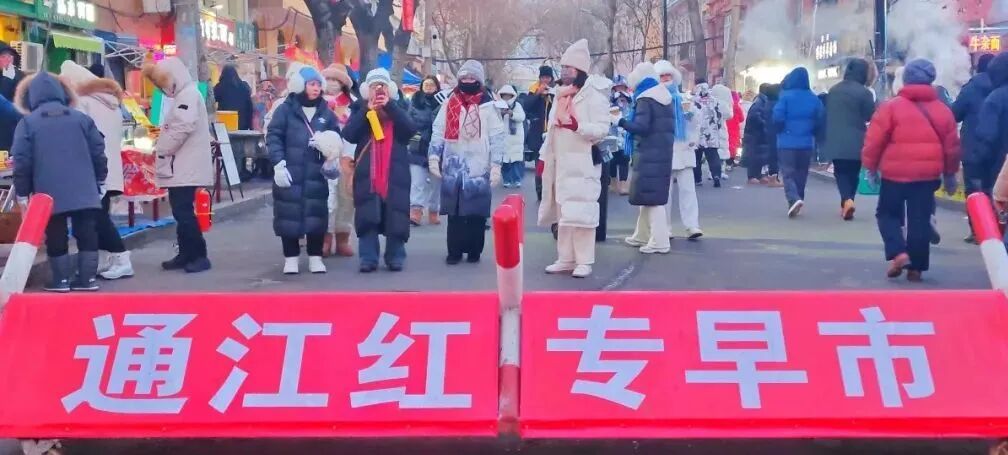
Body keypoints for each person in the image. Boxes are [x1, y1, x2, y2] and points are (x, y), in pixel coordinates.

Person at [862, 59, 960, 283]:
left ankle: (898, 253)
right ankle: (916, 268)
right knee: (920, 219)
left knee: (887, 214)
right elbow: (952, 147)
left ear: (905, 80)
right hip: (927, 176)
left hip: (894, 174)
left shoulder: (890, 108)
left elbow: (874, 141)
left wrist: (871, 167)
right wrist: (950, 174)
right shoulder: (943, 111)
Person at [12, 72, 106, 292]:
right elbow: (98, 152)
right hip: (84, 187)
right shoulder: (81, 118)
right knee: (87, 231)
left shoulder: (28, 123)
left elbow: (22, 161)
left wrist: (23, 193)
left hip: (48, 190)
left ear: (30, 97)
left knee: (56, 233)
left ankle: (61, 280)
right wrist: (100, 180)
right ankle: (87, 279)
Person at [538, 39, 610, 278]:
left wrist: (578, 127)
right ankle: (565, 258)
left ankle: (584, 261)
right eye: (562, 68)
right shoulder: (560, 96)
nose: (564, 72)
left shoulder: (594, 96)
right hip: (560, 164)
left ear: (579, 70)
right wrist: (543, 157)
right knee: (564, 216)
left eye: (568, 68)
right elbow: (553, 131)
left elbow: (602, 129)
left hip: (582, 163)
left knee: (582, 216)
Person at [59, 60, 134, 280]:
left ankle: (122, 258)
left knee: (97, 219)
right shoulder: (110, 102)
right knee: (100, 216)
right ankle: (104, 259)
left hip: (92, 170)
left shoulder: (82, 103)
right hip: (109, 168)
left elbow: (77, 137)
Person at [267, 65, 344, 275]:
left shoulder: (326, 113)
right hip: (290, 172)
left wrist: (328, 150)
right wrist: (278, 164)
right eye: (312, 84)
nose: (316, 88)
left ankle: (315, 257)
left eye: (318, 84)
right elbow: (274, 136)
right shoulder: (285, 110)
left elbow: (336, 138)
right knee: (288, 216)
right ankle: (290, 258)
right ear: (300, 85)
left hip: (316, 174)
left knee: (316, 216)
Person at [428, 60, 505, 265]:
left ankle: (474, 250)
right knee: (454, 213)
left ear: (479, 80)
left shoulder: (489, 106)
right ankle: (454, 251)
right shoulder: (448, 102)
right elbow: (438, 131)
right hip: (453, 166)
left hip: (479, 168)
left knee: (476, 213)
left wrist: (496, 165)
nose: (468, 80)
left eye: (472, 77)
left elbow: (497, 137)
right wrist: (434, 156)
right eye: (464, 77)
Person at [142, 57, 214, 273]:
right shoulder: (186, 94)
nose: (162, 90)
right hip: (182, 164)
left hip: (184, 165)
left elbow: (182, 127)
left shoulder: (187, 95)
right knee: (181, 212)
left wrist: (162, 147)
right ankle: (186, 253)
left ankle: (198, 255)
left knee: (183, 212)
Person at [341, 68, 416, 272]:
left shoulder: (399, 106)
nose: (378, 90)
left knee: (396, 214)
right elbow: (349, 134)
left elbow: (409, 130)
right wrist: (367, 111)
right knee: (367, 215)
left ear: (389, 88)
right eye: (374, 86)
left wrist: (390, 106)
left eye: (382, 86)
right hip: (368, 172)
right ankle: (368, 258)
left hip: (395, 171)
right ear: (367, 90)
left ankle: (395, 256)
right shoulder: (359, 108)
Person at [619, 62, 675, 254]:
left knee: (652, 200)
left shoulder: (645, 99)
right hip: (661, 152)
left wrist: (620, 121)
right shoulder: (664, 97)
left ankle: (660, 241)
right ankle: (641, 234)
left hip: (648, 153)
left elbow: (641, 127)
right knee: (648, 195)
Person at [821, 58, 876, 221]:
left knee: (840, 172)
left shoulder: (833, 90)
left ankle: (846, 201)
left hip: (835, 137)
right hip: (857, 139)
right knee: (854, 173)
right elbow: (870, 115)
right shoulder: (865, 93)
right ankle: (848, 200)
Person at [655, 60, 703, 239]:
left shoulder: (684, 99)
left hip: (684, 150)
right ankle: (665, 227)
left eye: (668, 75)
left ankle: (692, 225)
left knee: (688, 190)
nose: (666, 79)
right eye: (662, 76)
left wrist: (691, 116)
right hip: (664, 150)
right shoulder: (654, 100)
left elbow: (696, 123)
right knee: (664, 193)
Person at [953, 53, 996, 243]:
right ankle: (998, 229)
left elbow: (955, 113)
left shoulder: (970, 88)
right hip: (998, 149)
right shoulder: (1002, 88)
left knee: (975, 191)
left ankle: (978, 231)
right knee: (996, 189)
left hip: (973, 147)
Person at [773, 67, 825, 217]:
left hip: (786, 142)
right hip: (806, 143)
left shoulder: (785, 96)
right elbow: (821, 119)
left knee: (788, 173)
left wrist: (780, 130)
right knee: (802, 173)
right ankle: (799, 198)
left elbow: (777, 117)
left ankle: (793, 199)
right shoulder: (813, 98)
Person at [321, 63, 358, 256]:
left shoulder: (353, 104)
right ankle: (325, 238)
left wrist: (351, 157)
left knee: (346, 199)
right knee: (327, 199)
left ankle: (343, 237)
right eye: (328, 79)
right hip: (324, 157)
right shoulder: (316, 102)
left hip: (346, 155)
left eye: (336, 80)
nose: (332, 83)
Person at [408, 75, 443, 226]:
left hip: (437, 147)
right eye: (426, 84)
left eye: (431, 85)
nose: (428, 87)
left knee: (436, 183)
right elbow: (408, 120)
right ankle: (416, 210)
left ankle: (434, 210)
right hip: (418, 146)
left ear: (437, 87)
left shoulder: (442, 102)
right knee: (417, 181)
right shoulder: (415, 101)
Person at [523, 65, 555, 201]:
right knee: (539, 164)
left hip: (553, 133)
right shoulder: (533, 90)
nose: (545, 80)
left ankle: (552, 192)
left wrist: (551, 95)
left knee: (553, 164)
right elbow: (526, 106)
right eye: (543, 77)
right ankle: (540, 192)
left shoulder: (556, 91)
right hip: (538, 133)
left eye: (548, 77)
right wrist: (538, 94)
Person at [693, 83, 724, 187]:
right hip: (711, 132)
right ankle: (716, 175)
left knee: (696, 157)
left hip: (697, 132)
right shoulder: (714, 100)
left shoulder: (694, 101)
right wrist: (717, 127)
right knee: (713, 156)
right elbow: (719, 116)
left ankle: (697, 179)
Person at [496, 84, 527, 188]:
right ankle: (506, 179)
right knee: (504, 161)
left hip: (515, 137)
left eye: (508, 95)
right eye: (504, 95)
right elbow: (494, 119)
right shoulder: (498, 105)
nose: (506, 97)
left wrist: (512, 114)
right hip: (503, 137)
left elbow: (522, 117)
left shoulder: (517, 106)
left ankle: (517, 179)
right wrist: (501, 114)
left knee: (516, 161)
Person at [744, 84, 771, 183]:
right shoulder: (759, 102)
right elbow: (755, 116)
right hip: (754, 133)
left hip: (758, 133)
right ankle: (752, 176)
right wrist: (765, 124)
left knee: (760, 155)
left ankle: (759, 175)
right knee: (753, 155)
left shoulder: (762, 101)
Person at [609, 75, 632, 195]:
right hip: (612, 133)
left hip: (625, 133)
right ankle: (613, 183)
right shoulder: (609, 100)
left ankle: (623, 184)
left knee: (624, 158)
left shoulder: (630, 100)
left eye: (622, 87)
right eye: (618, 87)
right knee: (612, 160)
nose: (620, 90)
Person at [213, 64, 254, 130]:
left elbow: (213, 99)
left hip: (225, 123)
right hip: (242, 122)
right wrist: (250, 125)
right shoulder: (244, 86)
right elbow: (249, 106)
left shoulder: (220, 87)